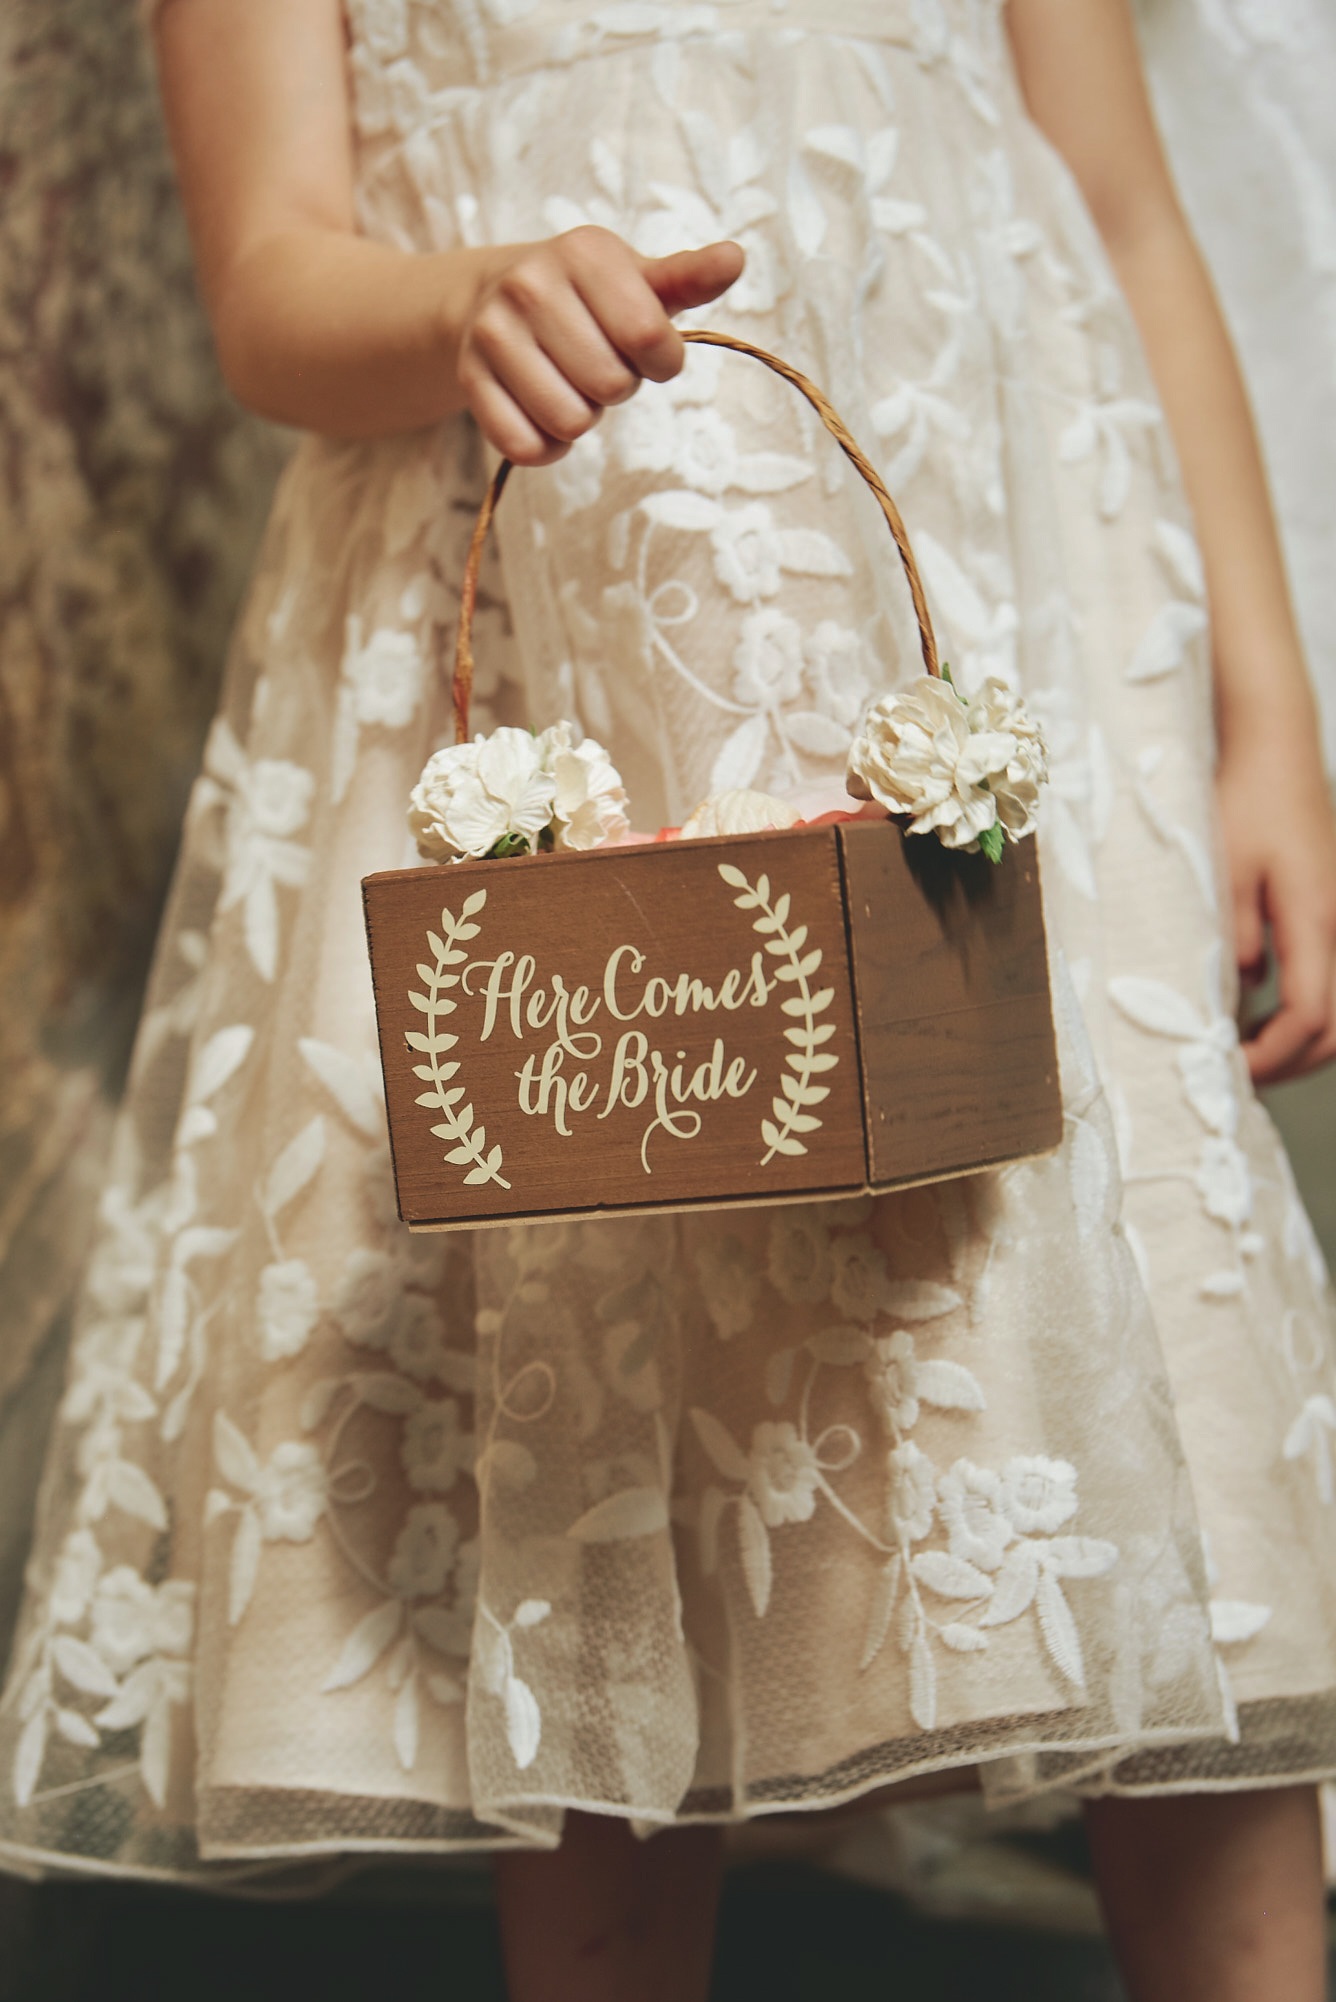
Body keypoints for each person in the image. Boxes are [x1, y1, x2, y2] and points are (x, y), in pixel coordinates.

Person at [2, 2, 1334, 1998]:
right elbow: (269, 280)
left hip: (995, 615)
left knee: (1139, 1367)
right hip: (563, 629)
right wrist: (456, 302)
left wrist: (1267, 727)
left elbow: (1121, 204)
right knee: (601, 1406)